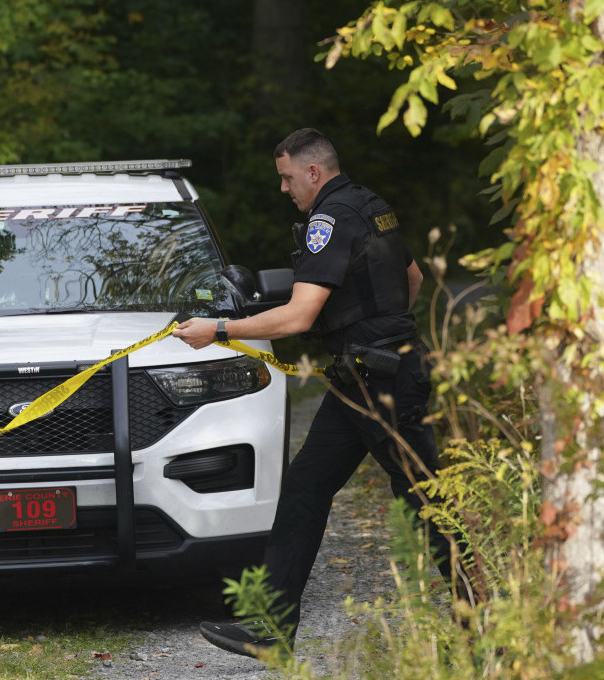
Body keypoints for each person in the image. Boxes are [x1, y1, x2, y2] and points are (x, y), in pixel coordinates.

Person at [172, 128, 458, 659]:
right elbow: (413, 277)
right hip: (364, 375)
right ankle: (273, 632)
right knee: (305, 488)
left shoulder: (328, 220)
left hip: (381, 382)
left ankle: (491, 619)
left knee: (424, 500)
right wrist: (378, 327)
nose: (284, 190)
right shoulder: (372, 205)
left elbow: (300, 315)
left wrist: (218, 330)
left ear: (312, 172)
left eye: (286, 178)